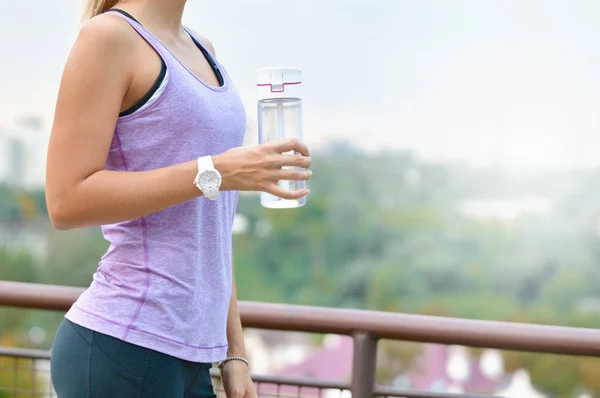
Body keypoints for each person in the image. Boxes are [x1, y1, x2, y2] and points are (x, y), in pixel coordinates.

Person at [46, 0, 312, 397]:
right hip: (123, 347)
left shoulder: (204, 50)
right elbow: (66, 201)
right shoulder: (109, 37)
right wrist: (214, 171)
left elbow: (211, 229)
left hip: (192, 359)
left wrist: (234, 354)